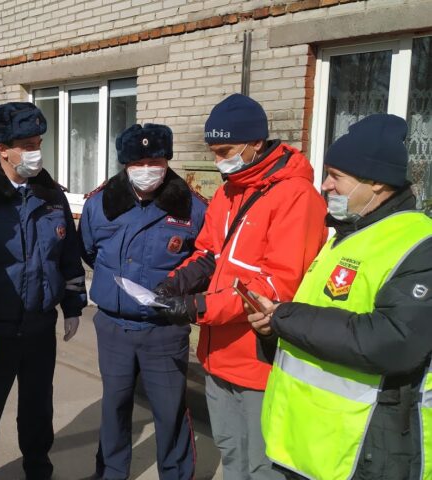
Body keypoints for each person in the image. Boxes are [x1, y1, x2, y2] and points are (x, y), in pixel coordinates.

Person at [247, 113, 432, 480]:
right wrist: (270, 331)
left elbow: (392, 341)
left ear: (376, 182)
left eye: (336, 176)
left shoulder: (418, 244)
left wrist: (284, 317)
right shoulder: (346, 236)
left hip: (364, 451)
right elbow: (318, 326)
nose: (325, 185)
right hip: (306, 445)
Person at [153, 93, 328, 480]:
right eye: (213, 152)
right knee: (231, 454)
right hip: (217, 357)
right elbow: (209, 252)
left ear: (256, 143)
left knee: (262, 466)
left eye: (225, 151)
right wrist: (176, 282)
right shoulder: (229, 191)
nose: (219, 161)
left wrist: (198, 307)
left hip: (259, 364)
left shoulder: (297, 197)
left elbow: (274, 286)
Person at [0, 101, 88, 480]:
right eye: (26, 145)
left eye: (38, 143)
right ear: (2, 148)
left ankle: (38, 471)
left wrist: (73, 305)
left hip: (40, 326)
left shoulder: (51, 196)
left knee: (38, 410)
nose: (35, 152)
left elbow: (68, 255)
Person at [78, 123, 207, 480]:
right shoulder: (99, 203)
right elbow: (89, 251)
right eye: (139, 162)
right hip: (114, 327)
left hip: (164, 330)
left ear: (167, 161)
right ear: (125, 163)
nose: (147, 169)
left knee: (170, 411)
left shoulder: (193, 207)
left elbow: (206, 260)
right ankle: (111, 473)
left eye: (155, 161)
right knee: (115, 406)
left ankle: (176, 474)